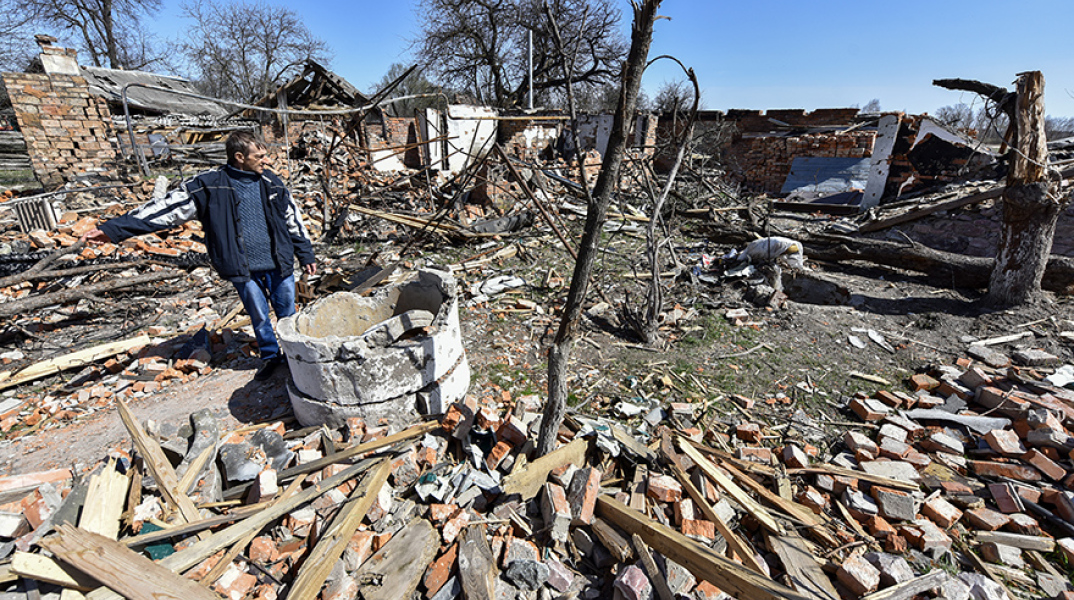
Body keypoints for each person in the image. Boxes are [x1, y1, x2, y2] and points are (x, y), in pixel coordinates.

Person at [82, 131, 316, 381]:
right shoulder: (209, 185)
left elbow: (293, 221)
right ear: (239, 157)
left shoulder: (272, 182)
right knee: (259, 317)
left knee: (288, 315)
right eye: (259, 156)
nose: (266, 161)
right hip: (243, 269)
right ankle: (271, 357)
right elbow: (165, 210)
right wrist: (112, 229)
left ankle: (296, 359)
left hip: (279, 264)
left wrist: (306, 253)